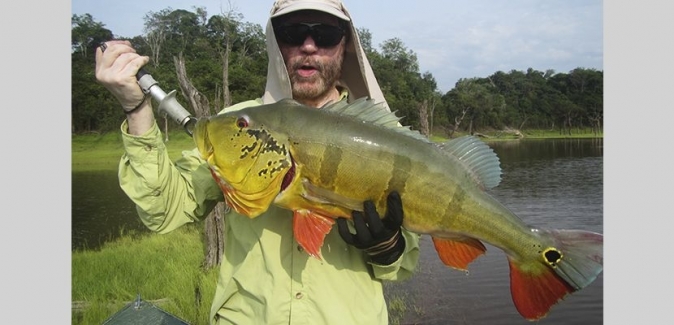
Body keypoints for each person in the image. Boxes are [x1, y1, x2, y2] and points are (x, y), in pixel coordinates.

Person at [95, 0, 420, 324]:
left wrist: (388, 247)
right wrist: (136, 109)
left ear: (345, 43)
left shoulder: (389, 138)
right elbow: (165, 209)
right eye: (292, 32)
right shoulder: (237, 126)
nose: (309, 46)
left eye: (325, 33)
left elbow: (402, 265)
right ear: (275, 42)